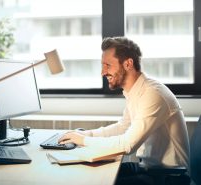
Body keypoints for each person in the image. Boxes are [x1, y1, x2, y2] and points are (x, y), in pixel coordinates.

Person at [58, 37, 190, 185]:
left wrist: (82, 140)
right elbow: (123, 127)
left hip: (168, 178)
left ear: (128, 64)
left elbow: (128, 145)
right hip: (148, 169)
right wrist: (87, 134)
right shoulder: (135, 91)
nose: (103, 72)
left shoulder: (152, 94)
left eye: (107, 65)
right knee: (86, 173)